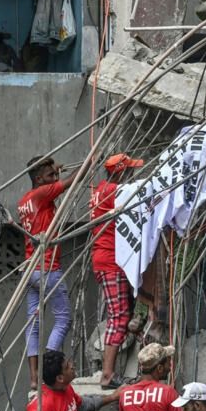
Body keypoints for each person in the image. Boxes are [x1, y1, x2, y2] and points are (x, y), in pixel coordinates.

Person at [19, 155, 77, 390]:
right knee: (63, 319)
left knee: (33, 324)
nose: (54, 178)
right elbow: (74, 181)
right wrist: (90, 163)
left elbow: (55, 186)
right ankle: (50, 370)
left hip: (30, 269)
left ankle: (34, 378)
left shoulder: (25, 200)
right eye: (50, 175)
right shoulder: (42, 194)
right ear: (38, 178)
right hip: (47, 268)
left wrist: (55, 171)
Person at [91, 153, 145, 390]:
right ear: (120, 172)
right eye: (130, 169)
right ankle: (108, 374)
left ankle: (109, 372)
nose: (133, 173)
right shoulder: (114, 191)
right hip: (110, 260)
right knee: (119, 316)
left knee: (120, 314)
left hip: (106, 259)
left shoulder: (100, 189)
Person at [27, 350, 120, 411]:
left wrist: (112, 397)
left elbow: (83, 405)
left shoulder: (66, 388)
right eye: (67, 366)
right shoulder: (42, 408)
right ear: (60, 378)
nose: (72, 366)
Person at [118, 344, 189, 411]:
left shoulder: (125, 394)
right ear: (159, 368)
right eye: (169, 362)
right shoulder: (168, 393)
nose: (170, 367)